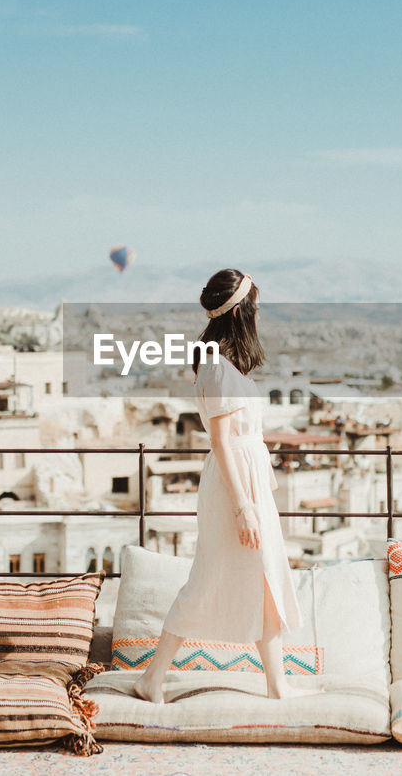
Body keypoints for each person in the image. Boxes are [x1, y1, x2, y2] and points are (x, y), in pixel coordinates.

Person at [132, 269, 304, 703]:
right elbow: (222, 441)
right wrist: (244, 505)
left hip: (244, 481)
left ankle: (277, 683)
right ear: (242, 311)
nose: (259, 315)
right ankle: (151, 677)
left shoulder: (219, 364)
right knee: (207, 578)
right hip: (235, 486)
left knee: (263, 576)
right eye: (256, 307)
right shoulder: (219, 369)